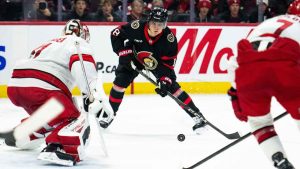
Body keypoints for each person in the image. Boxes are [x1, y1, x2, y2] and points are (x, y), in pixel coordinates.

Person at [5, 19, 113, 166]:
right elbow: (81, 63)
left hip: (16, 85)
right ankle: (60, 148)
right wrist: (91, 95)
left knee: (55, 115)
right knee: (73, 118)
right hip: (43, 86)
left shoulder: (49, 43)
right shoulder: (77, 41)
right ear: (84, 34)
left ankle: (22, 134)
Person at [104, 7, 207, 134]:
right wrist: (123, 52)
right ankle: (107, 115)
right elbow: (116, 33)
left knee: (173, 88)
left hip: (157, 64)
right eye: (154, 23)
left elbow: (168, 65)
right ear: (148, 21)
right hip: (134, 58)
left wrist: (164, 80)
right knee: (119, 83)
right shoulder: (136, 27)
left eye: (161, 24)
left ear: (165, 24)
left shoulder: (169, 40)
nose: (156, 27)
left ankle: (198, 116)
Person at [227, 0, 300, 168]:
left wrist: (235, 90)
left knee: (260, 123)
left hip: (249, 71)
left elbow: (234, 63)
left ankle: (278, 159)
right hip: (283, 66)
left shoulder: (268, 22)